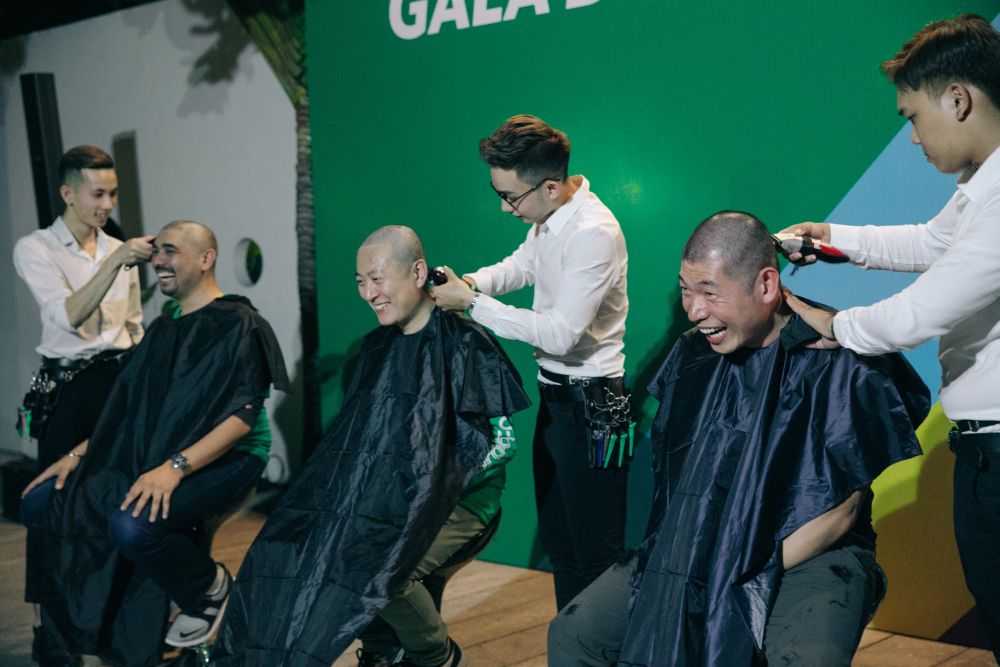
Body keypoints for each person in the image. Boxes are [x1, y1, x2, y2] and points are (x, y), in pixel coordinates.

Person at [547, 211, 929, 666]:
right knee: (575, 633)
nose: (693, 310)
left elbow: (839, 514)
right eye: (687, 291)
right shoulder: (692, 353)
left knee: (808, 658)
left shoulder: (839, 360)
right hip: (697, 542)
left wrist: (736, 565)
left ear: (766, 286)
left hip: (806, 554)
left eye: (709, 293)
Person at [780, 14, 1000, 661]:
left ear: (957, 98)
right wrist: (835, 238)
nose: (911, 138)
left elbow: (917, 314)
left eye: (911, 116)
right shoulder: (979, 189)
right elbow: (932, 242)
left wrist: (827, 323)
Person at [214, 226, 530, 667]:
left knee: (380, 570)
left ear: (418, 272)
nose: (368, 293)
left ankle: (436, 656)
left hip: (462, 504)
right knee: (305, 544)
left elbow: (502, 443)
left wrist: (430, 483)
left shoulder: (465, 343)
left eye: (377, 279)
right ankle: (380, 652)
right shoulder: (375, 349)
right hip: (392, 500)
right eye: (360, 282)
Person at [19, 220, 289, 667]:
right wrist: (78, 456)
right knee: (44, 502)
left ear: (206, 259)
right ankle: (73, 632)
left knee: (132, 525)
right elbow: (130, 413)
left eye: (171, 251)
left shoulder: (239, 324)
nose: (159, 261)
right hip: (158, 453)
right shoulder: (165, 328)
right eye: (156, 252)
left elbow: (241, 421)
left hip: (229, 460)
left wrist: (174, 468)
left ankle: (208, 587)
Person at [431, 114, 630, 610]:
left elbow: (562, 334)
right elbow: (521, 266)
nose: (504, 208)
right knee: (561, 546)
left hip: (596, 405)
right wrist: (472, 283)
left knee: (596, 555)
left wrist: (472, 304)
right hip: (557, 401)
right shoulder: (548, 218)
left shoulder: (594, 233)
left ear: (550, 186)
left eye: (511, 197)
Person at [13, 145, 153, 666]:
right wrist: (117, 259)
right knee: (55, 505)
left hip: (117, 387)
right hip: (69, 392)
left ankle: (109, 626)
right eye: (98, 193)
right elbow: (67, 317)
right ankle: (52, 632)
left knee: (113, 505)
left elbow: (133, 328)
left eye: (113, 193)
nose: (107, 203)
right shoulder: (36, 248)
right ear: (68, 193)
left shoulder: (116, 248)